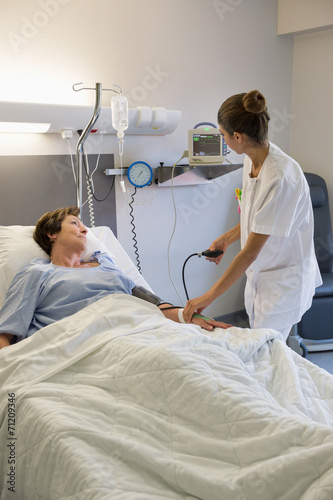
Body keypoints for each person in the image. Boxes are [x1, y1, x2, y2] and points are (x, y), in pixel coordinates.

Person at [183, 90, 322, 341]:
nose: (223, 140)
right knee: (260, 347)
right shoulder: (252, 159)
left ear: (238, 136)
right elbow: (256, 218)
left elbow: (251, 251)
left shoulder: (280, 176)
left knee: (266, 353)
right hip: (261, 276)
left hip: (282, 282)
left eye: (223, 135)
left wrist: (208, 296)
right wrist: (226, 238)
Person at [0, 207, 231, 350]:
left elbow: (152, 302)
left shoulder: (106, 264)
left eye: (84, 226)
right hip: (81, 343)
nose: (85, 230)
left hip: (138, 331)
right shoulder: (37, 272)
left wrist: (190, 316)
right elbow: (6, 333)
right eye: (74, 223)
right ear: (52, 234)